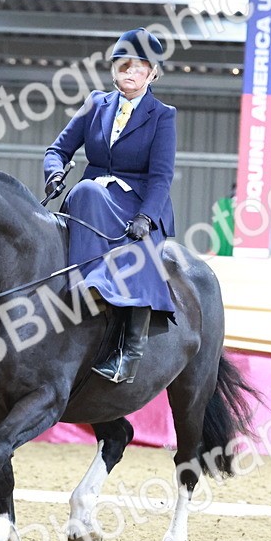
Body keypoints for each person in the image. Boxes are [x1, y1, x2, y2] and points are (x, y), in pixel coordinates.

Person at [43, 28, 177, 384]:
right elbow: (57, 150)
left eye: (138, 67)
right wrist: (54, 175)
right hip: (92, 198)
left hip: (139, 203)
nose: (129, 72)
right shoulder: (95, 104)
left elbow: (162, 176)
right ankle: (77, 292)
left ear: (153, 73)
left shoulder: (163, 115)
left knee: (140, 249)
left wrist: (146, 216)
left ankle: (129, 353)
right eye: (123, 64)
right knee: (85, 192)